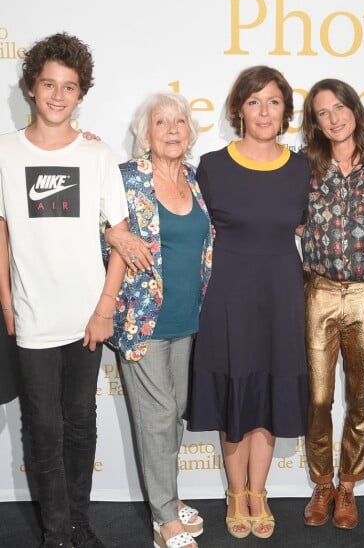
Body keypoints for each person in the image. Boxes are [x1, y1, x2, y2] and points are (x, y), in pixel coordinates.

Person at [0, 32, 129, 548]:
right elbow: (2, 230)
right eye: (49, 84)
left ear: (81, 94)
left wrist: (104, 309)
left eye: (69, 86)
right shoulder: (5, 153)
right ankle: (55, 532)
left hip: (86, 316)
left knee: (80, 421)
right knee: (41, 428)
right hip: (31, 312)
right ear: (32, 87)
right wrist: (6, 301)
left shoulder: (97, 155)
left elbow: (120, 239)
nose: (58, 95)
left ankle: (80, 523)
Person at [185, 65, 310, 540]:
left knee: (270, 395)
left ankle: (260, 491)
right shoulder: (213, 166)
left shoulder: (300, 167)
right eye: (254, 101)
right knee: (235, 395)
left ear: (285, 112)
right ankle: (235, 493)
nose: (263, 111)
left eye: (273, 101)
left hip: (281, 293)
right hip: (228, 296)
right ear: (239, 108)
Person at [104, 93, 212, 548]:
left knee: (176, 415)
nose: (171, 129)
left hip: (190, 320)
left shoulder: (195, 179)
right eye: (161, 122)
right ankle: (164, 518)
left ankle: (167, 496)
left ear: (189, 131)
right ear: (144, 134)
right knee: (158, 416)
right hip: (142, 322)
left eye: (179, 122)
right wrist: (112, 231)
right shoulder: (126, 179)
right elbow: (95, 225)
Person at [299, 78, 364, 530]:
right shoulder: (303, 167)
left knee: (360, 399)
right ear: (314, 122)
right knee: (317, 398)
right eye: (322, 112)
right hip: (317, 291)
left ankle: (348, 484)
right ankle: (321, 482)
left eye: (339, 108)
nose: (333, 118)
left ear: (354, 108)